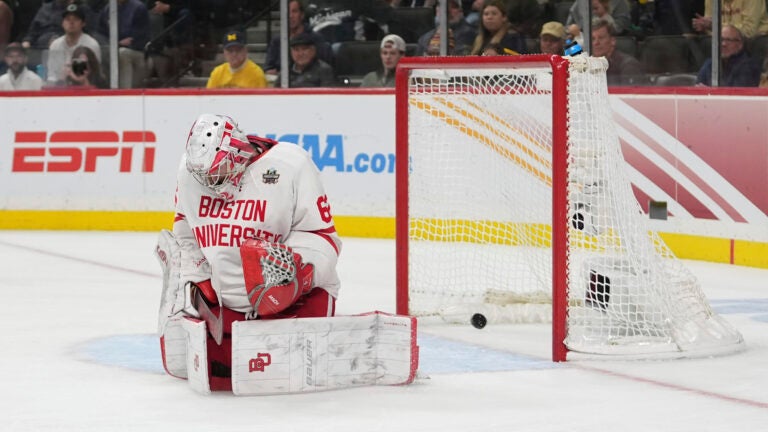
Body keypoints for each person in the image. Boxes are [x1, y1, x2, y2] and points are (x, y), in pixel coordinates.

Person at [163, 113, 342, 391]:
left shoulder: (290, 164)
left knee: (293, 376)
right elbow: (184, 228)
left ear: (236, 153)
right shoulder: (190, 170)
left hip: (292, 304)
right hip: (226, 312)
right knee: (213, 376)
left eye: (217, 171)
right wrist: (200, 277)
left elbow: (322, 237)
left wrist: (301, 276)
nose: (210, 182)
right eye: (203, 175)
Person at [264, 0, 333, 76]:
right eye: (287, 12)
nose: (290, 16)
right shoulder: (277, 41)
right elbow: (268, 68)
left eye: (294, 11)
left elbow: (324, 69)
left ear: (302, 15)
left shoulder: (315, 38)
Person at [97, 0, 150, 88]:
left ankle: (125, 91)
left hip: (137, 52)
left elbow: (140, 37)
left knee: (122, 53)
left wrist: (119, 44)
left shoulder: (138, 7)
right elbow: (101, 33)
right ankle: (105, 90)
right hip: (114, 47)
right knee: (103, 51)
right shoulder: (107, 9)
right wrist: (114, 44)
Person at [45, 3, 101, 86]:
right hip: (60, 89)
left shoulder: (92, 44)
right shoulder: (55, 45)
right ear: (62, 23)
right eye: (67, 19)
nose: (71, 22)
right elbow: (51, 75)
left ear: (83, 23)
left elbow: (95, 75)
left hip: (85, 88)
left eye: (76, 19)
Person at [22, 0, 98, 49]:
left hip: (74, 48)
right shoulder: (45, 9)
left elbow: (91, 32)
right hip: (42, 50)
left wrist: (58, 40)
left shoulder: (82, 9)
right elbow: (32, 33)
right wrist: (27, 42)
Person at [591, 17, 644, 85]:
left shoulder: (629, 66)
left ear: (612, 41)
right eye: (592, 39)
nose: (596, 43)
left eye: (601, 38)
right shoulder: (587, 66)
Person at [693, 0, 768, 39]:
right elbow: (709, 29)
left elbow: (748, 32)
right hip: (723, 40)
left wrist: (715, 26)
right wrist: (704, 26)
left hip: (754, 41)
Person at [567, 0, 632, 39]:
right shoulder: (580, 2)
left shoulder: (620, 3)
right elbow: (568, 27)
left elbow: (619, 29)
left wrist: (604, 14)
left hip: (608, 42)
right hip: (582, 40)